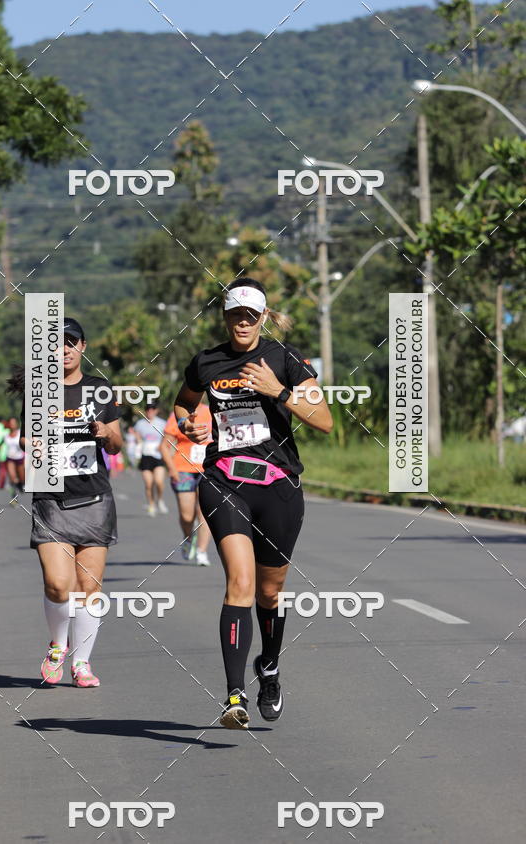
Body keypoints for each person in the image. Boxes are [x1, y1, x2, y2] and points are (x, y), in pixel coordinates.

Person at [174, 278, 333, 729]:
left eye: (250, 315)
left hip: (279, 486)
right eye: (234, 315)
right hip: (224, 480)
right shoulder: (206, 362)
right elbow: (182, 404)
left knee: (268, 591)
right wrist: (189, 425)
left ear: (263, 317)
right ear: (224, 317)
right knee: (240, 583)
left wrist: (277, 391)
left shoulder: (285, 359)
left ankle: (270, 667)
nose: (242, 322)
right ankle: (233, 696)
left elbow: (324, 422)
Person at [8, 317, 123, 688]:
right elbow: (26, 441)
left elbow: (117, 444)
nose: (65, 349)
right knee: (59, 584)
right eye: (57, 344)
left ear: (83, 347)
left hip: (93, 498)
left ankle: (82, 664)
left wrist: (106, 433)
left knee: (88, 588)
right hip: (52, 497)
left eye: (71, 343)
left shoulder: (100, 390)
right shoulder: (39, 392)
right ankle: (58, 645)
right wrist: (35, 444)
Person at [160, 400, 212, 566]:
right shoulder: (178, 415)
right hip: (183, 470)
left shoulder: (212, 412)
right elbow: (164, 446)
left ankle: (202, 551)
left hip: (208, 469)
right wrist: (172, 469)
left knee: (205, 513)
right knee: (187, 515)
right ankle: (189, 537)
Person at [133, 402, 168, 516]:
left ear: (156, 411)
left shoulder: (162, 423)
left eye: (152, 409)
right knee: (148, 483)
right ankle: (151, 504)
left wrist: (162, 446)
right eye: (148, 409)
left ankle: (160, 500)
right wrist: (138, 441)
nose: (150, 411)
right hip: (146, 456)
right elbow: (136, 436)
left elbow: (168, 437)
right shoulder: (140, 423)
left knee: (159, 481)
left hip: (158, 455)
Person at [5, 417, 25, 498]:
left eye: (13, 423)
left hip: (19, 458)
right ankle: (14, 492)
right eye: (10, 423)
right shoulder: (6, 435)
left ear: (16, 424)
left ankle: (20, 485)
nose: (12, 425)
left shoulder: (20, 433)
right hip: (10, 458)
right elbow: (1, 443)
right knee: (12, 477)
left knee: (21, 478)